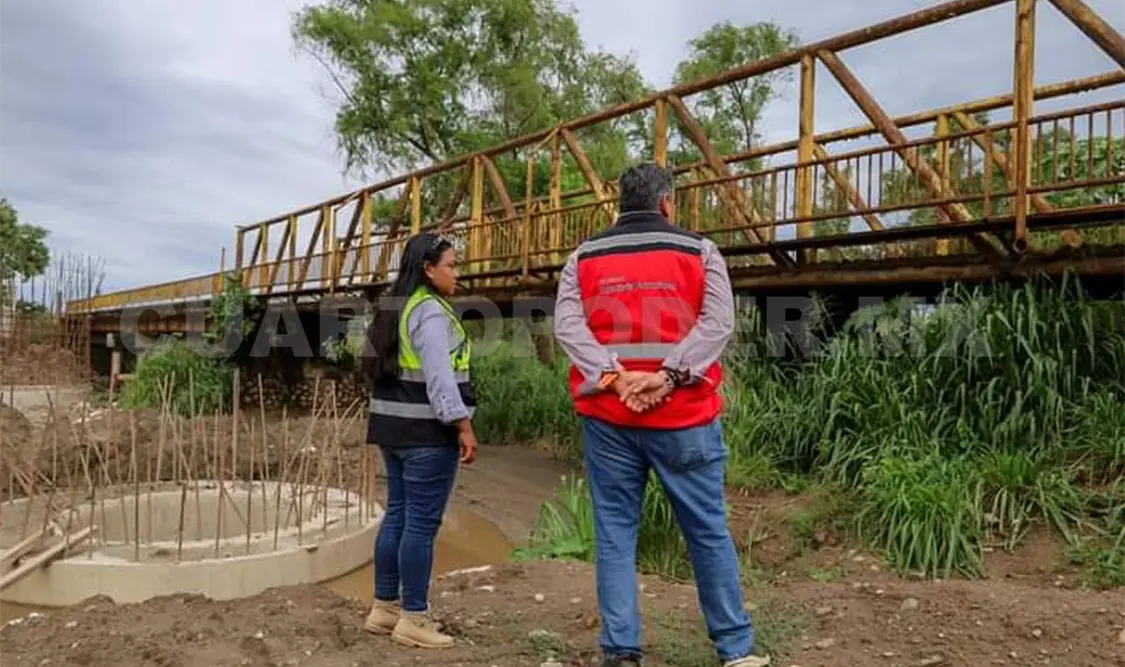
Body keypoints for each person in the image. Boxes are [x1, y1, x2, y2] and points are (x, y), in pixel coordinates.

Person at [553, 163, 768, 667]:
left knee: (615, 534)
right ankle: (735, 649)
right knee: (707, 531)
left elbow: (568, 327)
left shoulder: (583, 257)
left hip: (609, 418)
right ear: (667, 203)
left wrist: (614, 378)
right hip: (685, 418)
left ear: (620, 206)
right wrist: (669, 377)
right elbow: (718, 324)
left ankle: (621, 651)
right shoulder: (700, 251)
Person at [361, 231, 479, 649]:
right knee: (421, 525)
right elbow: (440, 379)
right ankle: (414, 617)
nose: (457, 273)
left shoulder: (394, 307)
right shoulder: (429, 311)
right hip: (426, 434)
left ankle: (384, 609)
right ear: (429, 269)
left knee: (397, 514)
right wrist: (463, 425)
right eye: (451, 265)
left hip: (392, 430)